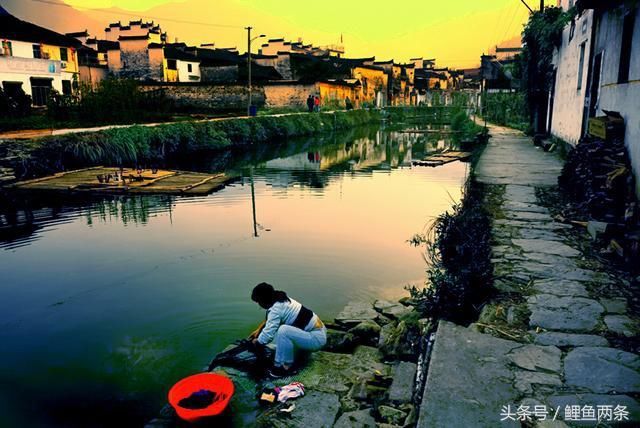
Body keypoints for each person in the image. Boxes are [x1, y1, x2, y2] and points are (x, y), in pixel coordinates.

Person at [249, 282, 326, 378]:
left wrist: (257, 341)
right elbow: (269, 320)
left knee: (283, 330)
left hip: (316, 339)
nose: (259, 305)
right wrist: (259, 329)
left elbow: (267, 335)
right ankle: (289, 358)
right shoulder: (281, 299)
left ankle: (283, 368)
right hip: (317, 331)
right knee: (278, 332)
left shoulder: (275, 309)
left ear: (264, 300)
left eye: (259, 302)